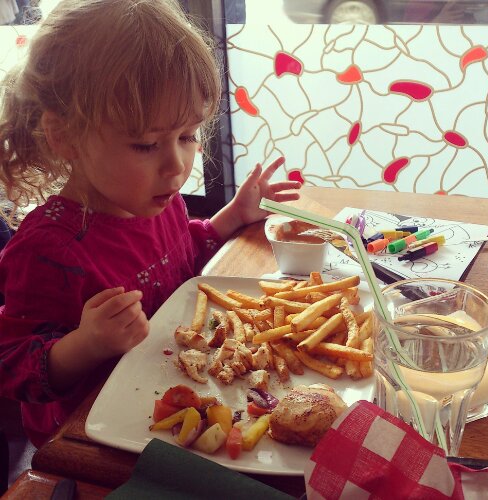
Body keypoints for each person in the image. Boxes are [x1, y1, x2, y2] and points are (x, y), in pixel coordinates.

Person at [0, 0, 301, 448]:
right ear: (64, 136)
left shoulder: (160, 201)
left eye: (188, 136)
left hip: (172, 399)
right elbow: (11, 365)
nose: (176, 165)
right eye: (145, 144)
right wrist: (85, 344)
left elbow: (180, 256)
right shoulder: (47, 251)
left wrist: (233, 217)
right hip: (89, 438)